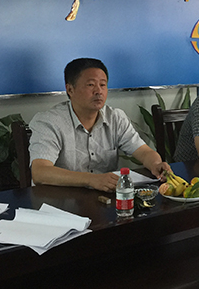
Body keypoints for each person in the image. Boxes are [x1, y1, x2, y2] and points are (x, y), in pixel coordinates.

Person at [30, 58, 170, 191]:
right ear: (70, 90)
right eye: (91, 85)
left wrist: (156, 164)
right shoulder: (49, 121)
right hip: (59, 201)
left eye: (103, 85)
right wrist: (91, 180)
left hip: (104, 198)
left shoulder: (115, 117)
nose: (98, 91)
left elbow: (144, 152)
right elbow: (40, 172)